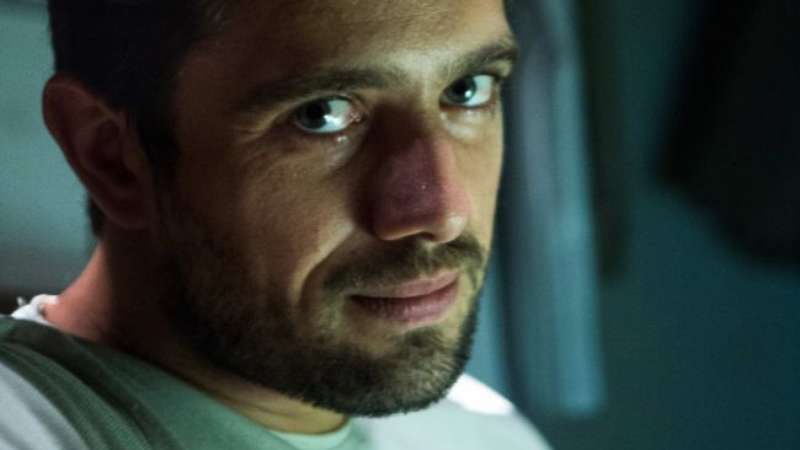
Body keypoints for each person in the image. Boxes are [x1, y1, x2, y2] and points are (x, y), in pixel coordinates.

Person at [0, 0, 550, 449]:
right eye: (322, 114)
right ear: (111, 157)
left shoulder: (484, 434)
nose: (443, 213)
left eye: (468, 89)